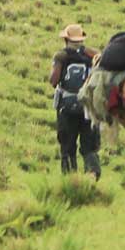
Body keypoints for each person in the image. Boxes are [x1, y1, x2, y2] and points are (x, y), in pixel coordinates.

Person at [49, 24, 102, 179]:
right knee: (90, 146)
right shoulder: (93, 55)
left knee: (67, 146)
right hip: (89, 106)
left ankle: (70, 178)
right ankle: (92, 174)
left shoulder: (61, 56)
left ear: (66, 39)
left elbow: (53, 80)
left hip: (67, 106)